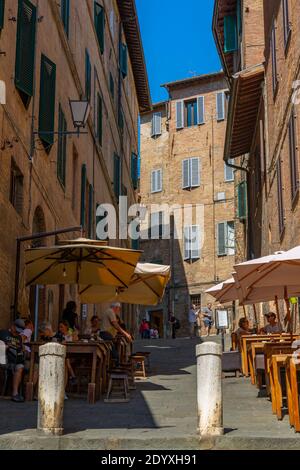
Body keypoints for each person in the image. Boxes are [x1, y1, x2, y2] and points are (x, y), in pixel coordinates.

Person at [0, 319, 26, 402]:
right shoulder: (3, 333)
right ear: (13, 326)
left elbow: (20, 349)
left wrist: (22, 350)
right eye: (16, 330)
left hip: (15, 360)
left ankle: (15, 393)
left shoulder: (19, 337)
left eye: (19, 331)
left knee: (20, 367)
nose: (17, 333)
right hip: (3, 358)